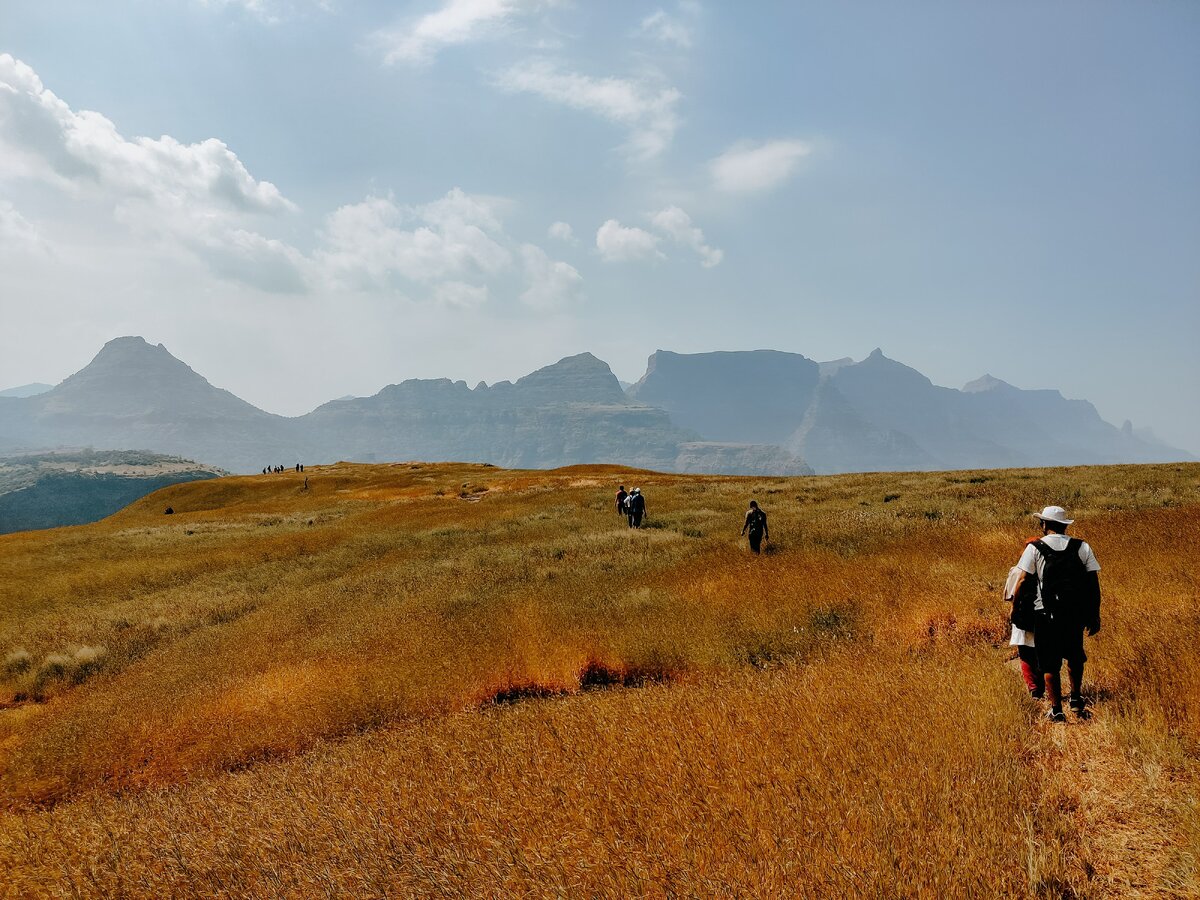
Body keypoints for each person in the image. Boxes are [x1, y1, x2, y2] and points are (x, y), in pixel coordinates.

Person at [1009, 505, 1101, 722]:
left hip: (1045, 614)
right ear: (1064, 525)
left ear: (1045, 524)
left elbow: (1022, 580)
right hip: (1074, 613)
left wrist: (1015, 606)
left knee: (1049, 663)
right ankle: (1077, 699)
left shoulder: (1035, 548)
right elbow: (1093, 584)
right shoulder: (1082, 547)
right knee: (1075, 657)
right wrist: (1094, 614)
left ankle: (1056, 709)